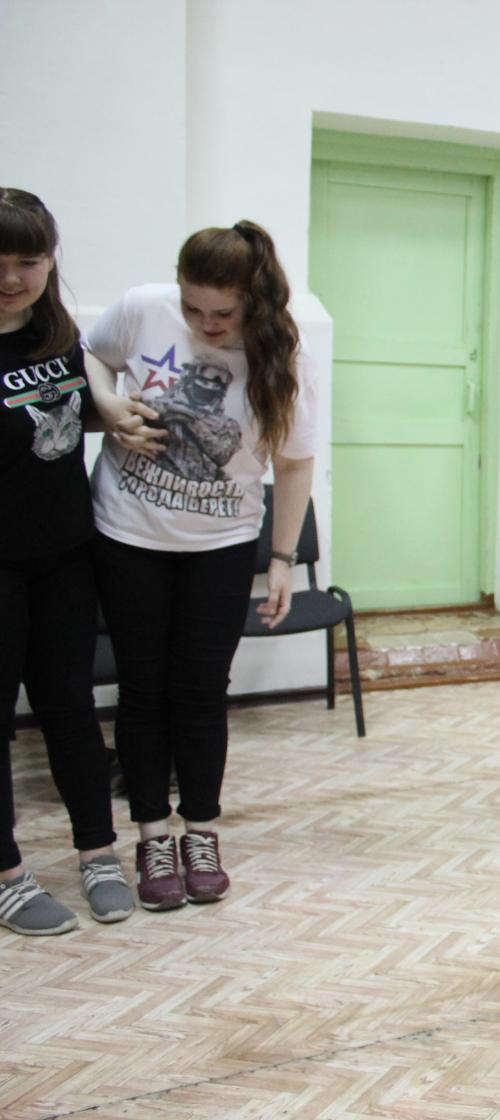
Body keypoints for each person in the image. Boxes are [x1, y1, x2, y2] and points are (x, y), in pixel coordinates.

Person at [82, 220, 318, 911]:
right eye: (193, 308)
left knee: (201, 692)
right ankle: (152, 835)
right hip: (128, 534)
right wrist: (109, 406)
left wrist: (281, 558)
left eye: (223, 314)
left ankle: (201, 831)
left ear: (255, 301)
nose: (206, 325)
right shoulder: (141, 307)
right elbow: (90, 355)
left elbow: (294, 463)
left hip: (220, 546)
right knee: (142, 690)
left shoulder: (283, 353)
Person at [0, 188, 134, 935]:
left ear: (51, 261)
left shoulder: (57, 337)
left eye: (28, 260)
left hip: (65, 556)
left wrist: (111, 409)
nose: (11, 277)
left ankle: (97, 852)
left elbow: (82, 404)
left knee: (70, 709)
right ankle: (8, 874)